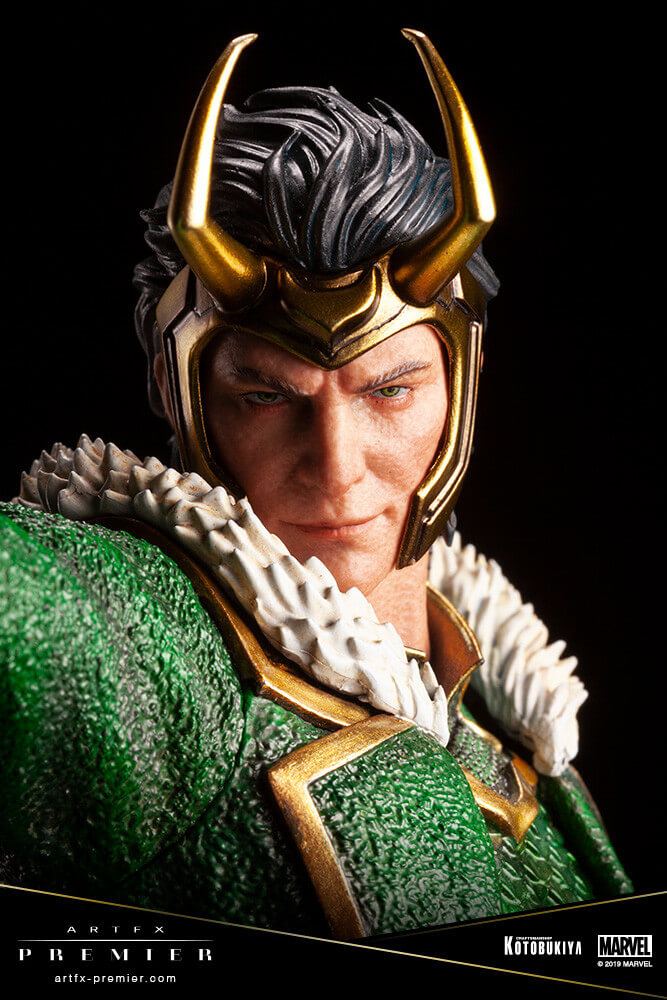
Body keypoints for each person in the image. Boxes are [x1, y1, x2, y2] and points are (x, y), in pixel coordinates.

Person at [0, 30, 631, 939]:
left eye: (390, 389)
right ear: (180, 396)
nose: (336, 467)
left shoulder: (520, 716)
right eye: (265, 396)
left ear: (462, 384)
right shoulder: (132, 636)